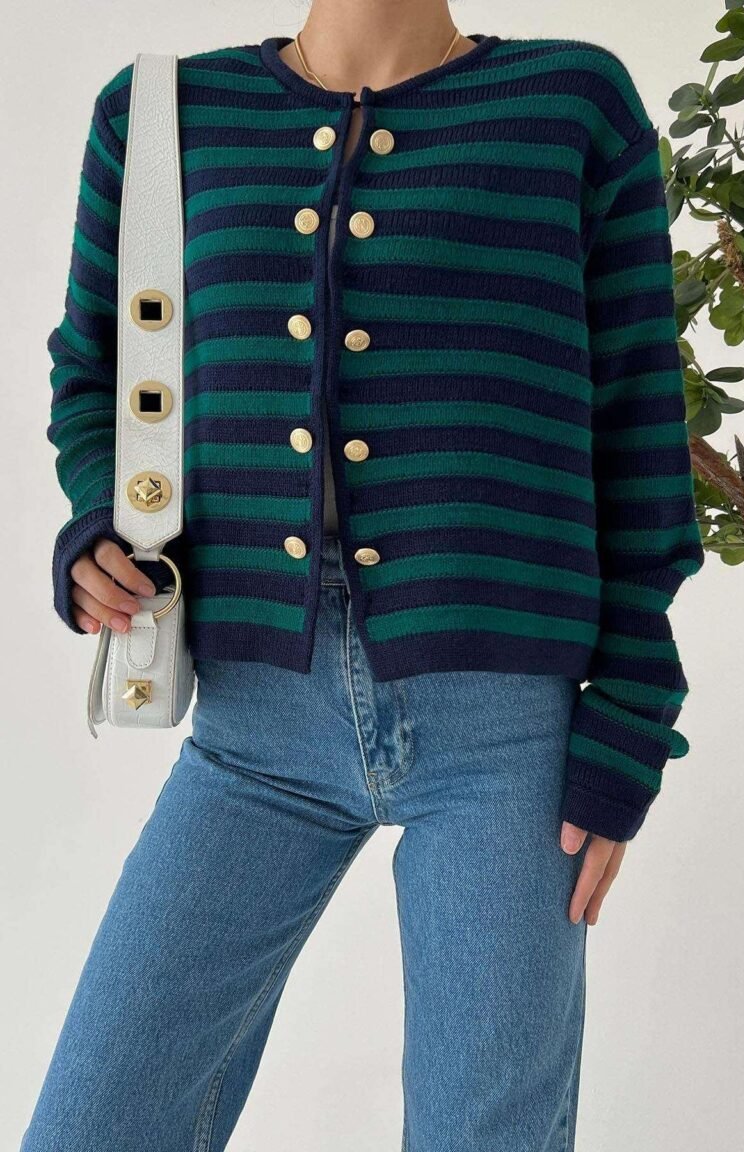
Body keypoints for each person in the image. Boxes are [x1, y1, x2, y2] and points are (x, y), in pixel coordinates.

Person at [23, 1, 705, 1148]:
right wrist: (100, 523)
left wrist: (633, 717)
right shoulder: (159, 116)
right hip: (252, 729)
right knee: (93, 1123)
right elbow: (93, 373)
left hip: (503, 741)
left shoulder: (572, 107)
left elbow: (639, 425)